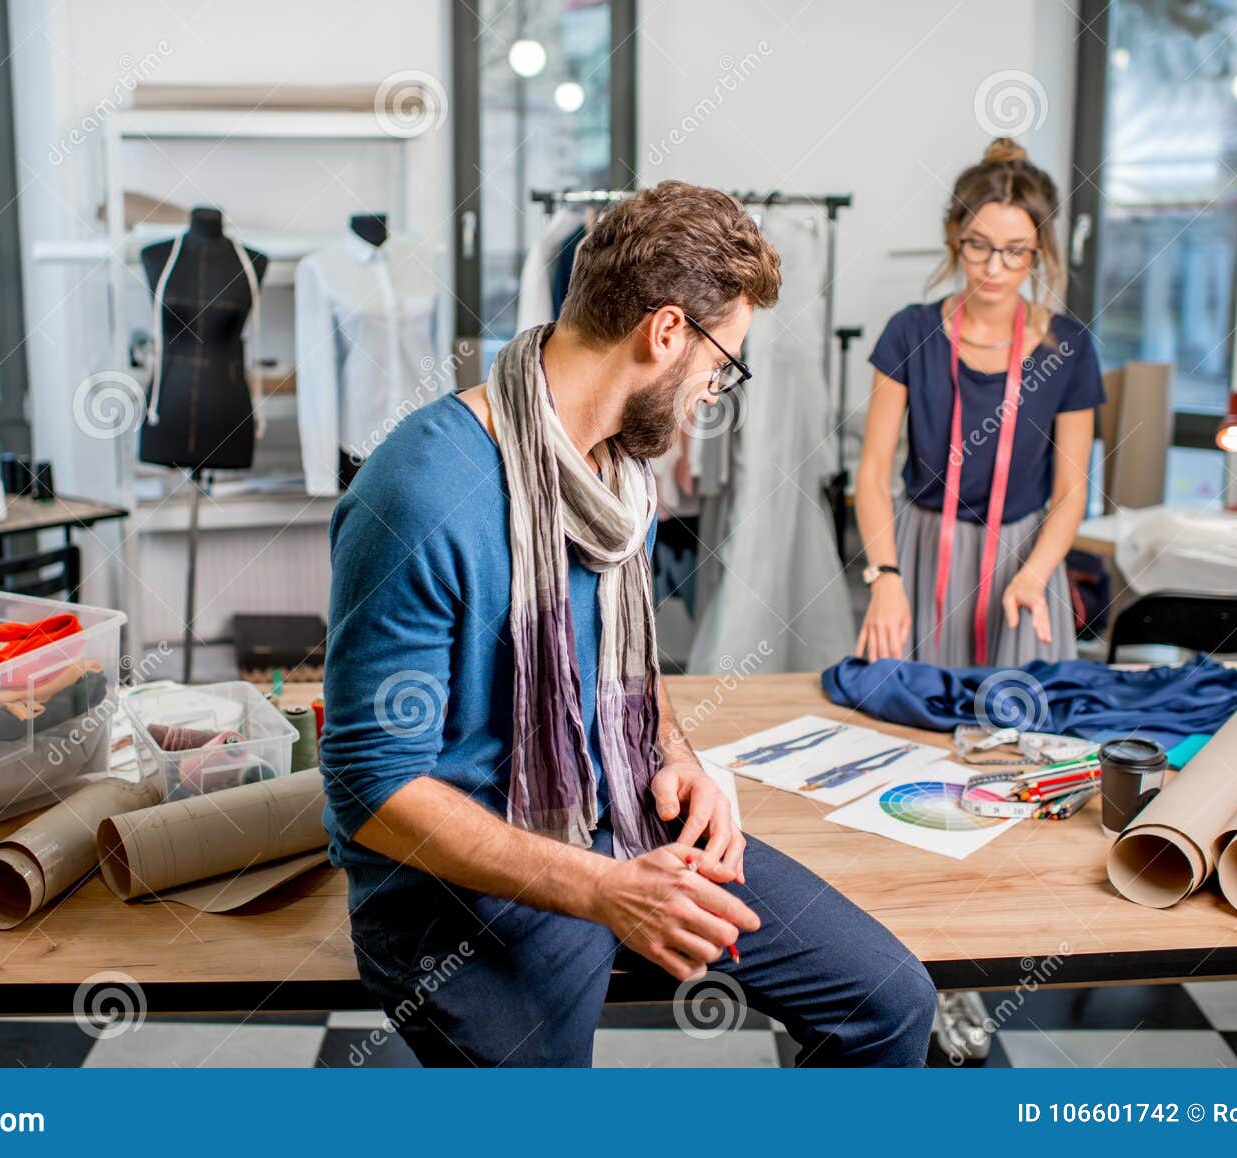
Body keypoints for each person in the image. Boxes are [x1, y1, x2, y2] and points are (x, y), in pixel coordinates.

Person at [321, 180, 936, 1067]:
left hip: (611, 806)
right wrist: (606, 889)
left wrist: (674, 755)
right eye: (723, 366)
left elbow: (622, 669)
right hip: (452, 890)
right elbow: (372, 793)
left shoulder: (618, 477)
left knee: (889, 1002)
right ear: (667, 332)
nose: (712, 395)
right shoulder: (421, 492)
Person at [855, 137, 1104, 667]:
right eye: (978, 245)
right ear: (954, 238)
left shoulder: (1070, 347)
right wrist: (885, 578)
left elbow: (1070, 492)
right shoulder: (908, 333)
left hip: (1025, 562)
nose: (994, 267)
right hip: (919, 553)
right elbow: (874, 476)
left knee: (1020, 733)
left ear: (1040, 251)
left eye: (1016, 250)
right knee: (910, 729)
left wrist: (1036, 575)